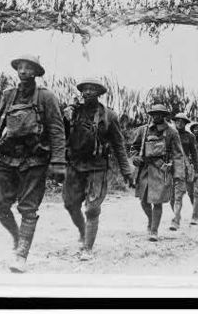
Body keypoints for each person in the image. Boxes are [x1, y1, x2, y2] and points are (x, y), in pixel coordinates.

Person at [0, 54, 66, 273]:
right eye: (20, 67)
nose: (23, 71)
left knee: (28, 208)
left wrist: (58, 161)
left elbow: (57, 130)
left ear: (37, 73)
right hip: (6, 156)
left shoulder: (47, 97)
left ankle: (21, 255)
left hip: (34, 159)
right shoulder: (8, 95)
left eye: (28, 68)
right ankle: (18, 238)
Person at [62, 78, 135, 261]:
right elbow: (59, 135)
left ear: (99, 93)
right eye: (85, 90)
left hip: (97, 166)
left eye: (92, 89)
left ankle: (87, 248)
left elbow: (119, 145)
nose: (87, 92)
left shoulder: (108, 116)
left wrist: (127, 171)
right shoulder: (72, 112)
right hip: (75, 164)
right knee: (70, 204)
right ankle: (82, 230)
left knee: (92, 208)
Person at [130, 104, 185, 241]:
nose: (156, 116)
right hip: (144, 170)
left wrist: (178, 173)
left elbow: (178, 154)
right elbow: (134, 147)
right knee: (143, 201)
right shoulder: (143, 130)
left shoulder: (172, 132)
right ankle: (151, 220)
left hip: (161, 171)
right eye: (154, 114)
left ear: (164, 115)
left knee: (157, 202)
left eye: (160, 114)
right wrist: (135, 156)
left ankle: (154, 230)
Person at [169, 113, 198, 230]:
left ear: (186, 123)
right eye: (177, 121)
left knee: (179, 195)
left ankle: (176, 220)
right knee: (171, 197)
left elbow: (194, 153)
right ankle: (177, 215)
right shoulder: (169, 133)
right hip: (170, 166)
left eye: (182, 121)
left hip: (183, 167)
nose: (179, 123)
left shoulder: (190, 137)